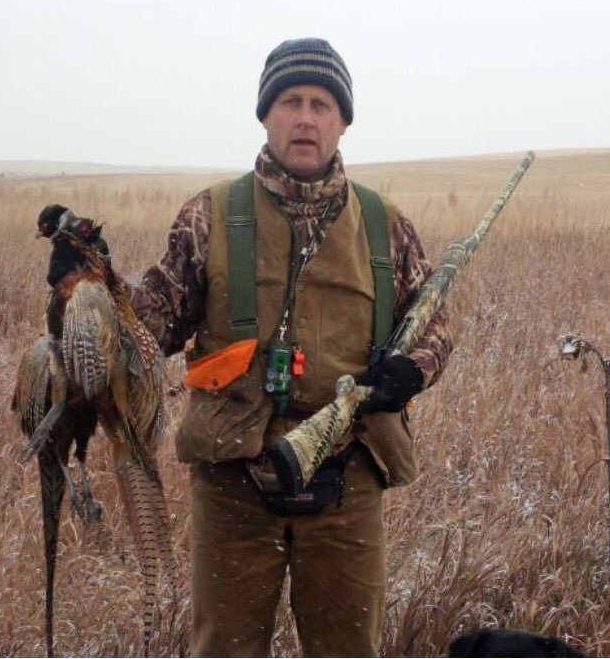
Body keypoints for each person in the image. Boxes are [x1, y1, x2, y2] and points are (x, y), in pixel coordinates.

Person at [71, 38, 453, 656]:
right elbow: (155, 324)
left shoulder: (386, 225)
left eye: (322, 104)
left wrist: (415, 368)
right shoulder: (211, 216)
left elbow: (436, 318)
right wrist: (94, 280)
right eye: (291, 101)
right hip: (233, 489)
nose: (306, 117)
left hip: (348, 484)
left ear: (344, 121)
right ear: (266, 115)